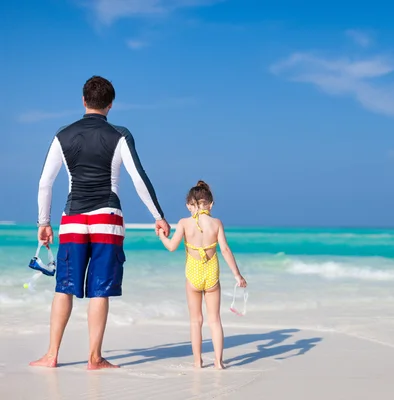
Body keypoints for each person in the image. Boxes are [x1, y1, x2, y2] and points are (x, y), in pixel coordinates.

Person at [30, 76, 170, 370]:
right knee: (100, 289)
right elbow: (138, 178)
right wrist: (158, 216)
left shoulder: (63, 135)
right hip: (107, 217)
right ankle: (94, 358)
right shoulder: (120, 135)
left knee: (64, 287)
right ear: (110, 104)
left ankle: (52, 355)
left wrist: (44, 221)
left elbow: (45, 183)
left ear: (83, 101)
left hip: (73, 218)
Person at [158, 180, 247, 369]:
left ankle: (198, 362)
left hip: (193, 274)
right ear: (211, 204)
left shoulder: (184, 223)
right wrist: (237, 275)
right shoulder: (216, 223)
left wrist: (161, 236)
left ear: (189, 205)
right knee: (214, 320)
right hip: (212, 273)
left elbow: (172, 247)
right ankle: (218, 362)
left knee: (195, 320)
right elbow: (225, 250)